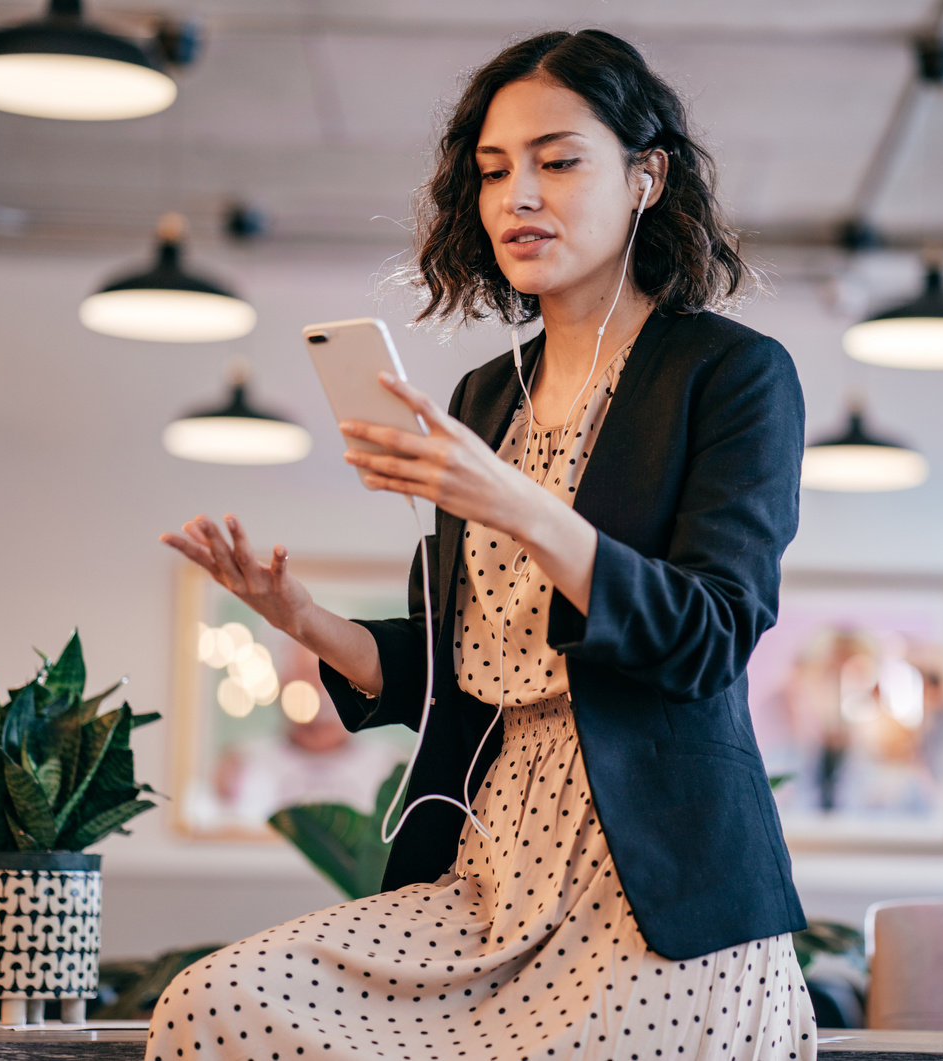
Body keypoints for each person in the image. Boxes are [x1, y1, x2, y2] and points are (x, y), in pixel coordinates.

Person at [150, 29, 814, 1061]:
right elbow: (456, 667)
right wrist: (302, 619)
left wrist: (523, 504)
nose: (518, 196)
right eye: (494, 170)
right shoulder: (484, 396)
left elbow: (710, 636)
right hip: (490, 862)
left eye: (558, 161)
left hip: (656, 887)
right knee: (216, 1001)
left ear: (646, 176)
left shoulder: (730, 375)